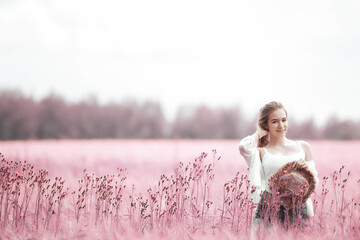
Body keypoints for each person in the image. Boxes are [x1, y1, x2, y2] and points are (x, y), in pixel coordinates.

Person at [238, 101, 319, 231]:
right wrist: (259, 133)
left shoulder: (303, 147)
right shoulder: (260, 152)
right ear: (266, 125)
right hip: (268, 207)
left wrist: (306, 171)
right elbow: (243, 147)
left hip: (297, 209)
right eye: (274, 121)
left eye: (284, 120)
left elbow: (314, 182)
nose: (281, 125)